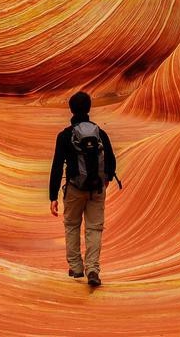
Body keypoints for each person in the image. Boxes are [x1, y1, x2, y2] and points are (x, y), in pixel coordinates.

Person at [49, 91, 116, 287]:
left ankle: (77, 267)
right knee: (94, 228)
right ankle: (93, 269)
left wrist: (53, 196)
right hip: (96, 188)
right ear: (89, 109)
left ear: (71, 109)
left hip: (74, 188)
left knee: (72, 225)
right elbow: (111, 160)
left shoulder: (65, 135)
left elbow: (57, 166)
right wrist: (106, 180)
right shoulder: (100, 133)